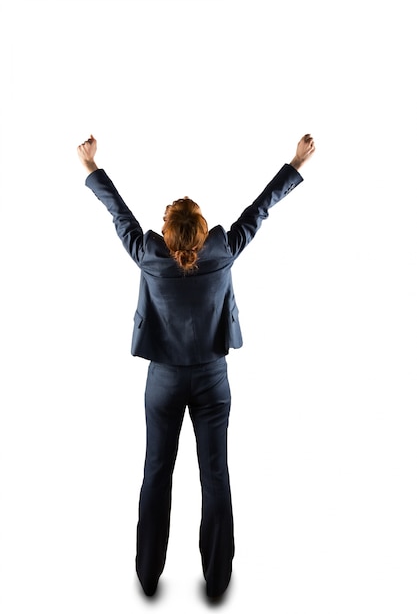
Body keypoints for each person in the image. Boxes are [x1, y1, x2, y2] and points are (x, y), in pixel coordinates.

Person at [77, 133, 315, 599]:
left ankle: (147, 575)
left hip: (163, 382)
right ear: (203, 231)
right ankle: (218, 579)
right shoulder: (222, 250)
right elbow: (259, 210)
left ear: (165, 233)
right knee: (215, 474)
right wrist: (295, 163)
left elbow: (118, 213)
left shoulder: (148, 254)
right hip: (211, 381)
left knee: (155, 472)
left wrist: (91, 166)